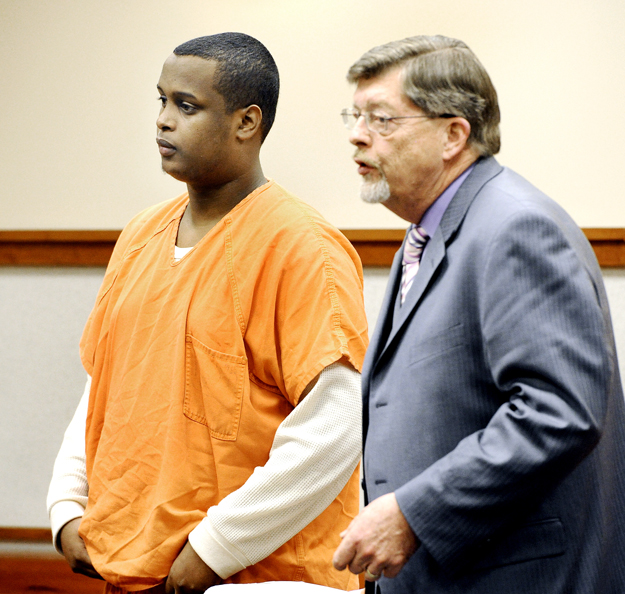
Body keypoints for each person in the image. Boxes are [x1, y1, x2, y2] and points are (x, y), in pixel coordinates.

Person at [47, 33, 368, 594]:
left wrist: (215, 549)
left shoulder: (302, 248)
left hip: (254, 579)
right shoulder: (140, 234)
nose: (163, 122)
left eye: (186, 106)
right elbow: (104, 384)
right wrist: (66, 505)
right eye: (162, 101)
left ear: (247, 122)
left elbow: (336, 430)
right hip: (131, 565)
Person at [332, 34, 625, 593]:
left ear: (453, 135)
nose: (357, 134)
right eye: (355, 115)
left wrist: (413, 513)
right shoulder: (426, 235)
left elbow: (557, 410)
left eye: (382, 119)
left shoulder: (516, 228)